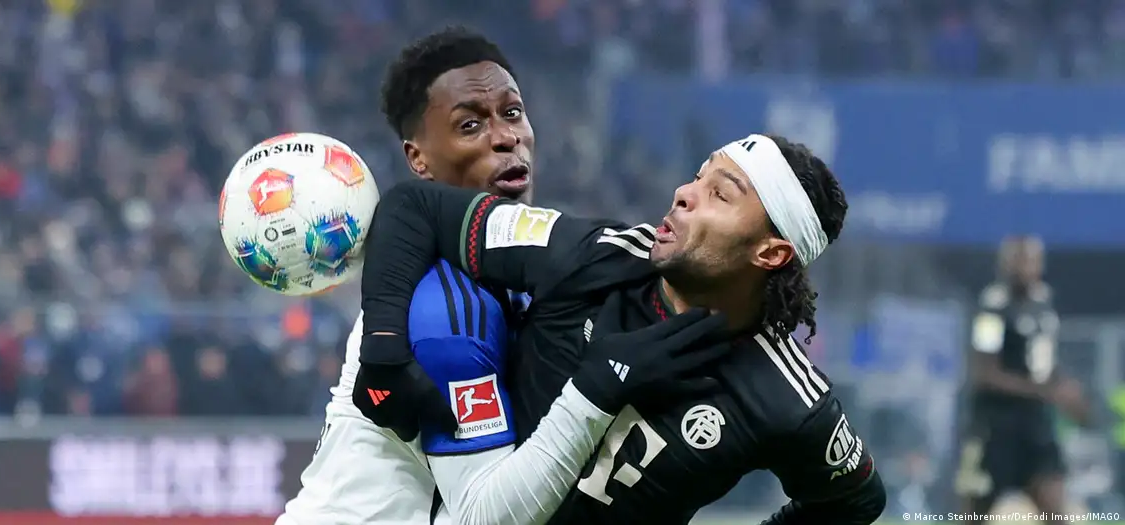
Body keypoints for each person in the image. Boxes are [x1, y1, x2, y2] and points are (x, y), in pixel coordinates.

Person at [279, 27, 720, 525]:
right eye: (470, 125)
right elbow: (487, 518)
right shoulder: (442, 301)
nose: (506, 137)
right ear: (418, 159)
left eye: (512, 113)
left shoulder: (518, 272)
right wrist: (598, 390)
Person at [356, 134, 887, 524]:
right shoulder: (599, 255)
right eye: (698, 176)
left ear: (770, 253)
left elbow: (856, 501)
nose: (683, 193)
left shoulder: (787, 398)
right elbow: (412, 207)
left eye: (720, 195)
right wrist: (382, 350)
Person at [956, 235, 1089, 524]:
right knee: (974, 513)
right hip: (995, 425)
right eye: (1018, 260)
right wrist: (1043, 391)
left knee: (1056, 509)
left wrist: (1067, 390)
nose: (1024, 267)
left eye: (1030, 260)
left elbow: (1043, 362)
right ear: (1004, 264)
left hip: (1035, 424)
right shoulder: (992, 309)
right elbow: (985, 373)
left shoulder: (1044, 305)